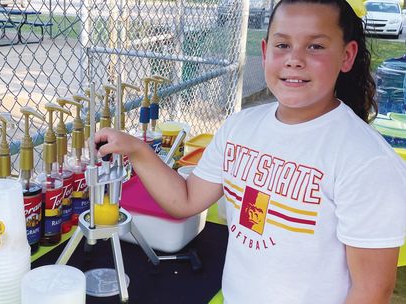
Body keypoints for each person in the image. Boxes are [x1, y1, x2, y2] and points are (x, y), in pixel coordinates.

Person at [96, 0, 406, 302]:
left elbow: (371, 291)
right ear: (265, 51)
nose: (294, 59)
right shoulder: (239, 127)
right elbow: (186, 199)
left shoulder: (368, 162)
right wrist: (135, 148)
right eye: (282, 45)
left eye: (316, 46)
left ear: (347, 56)